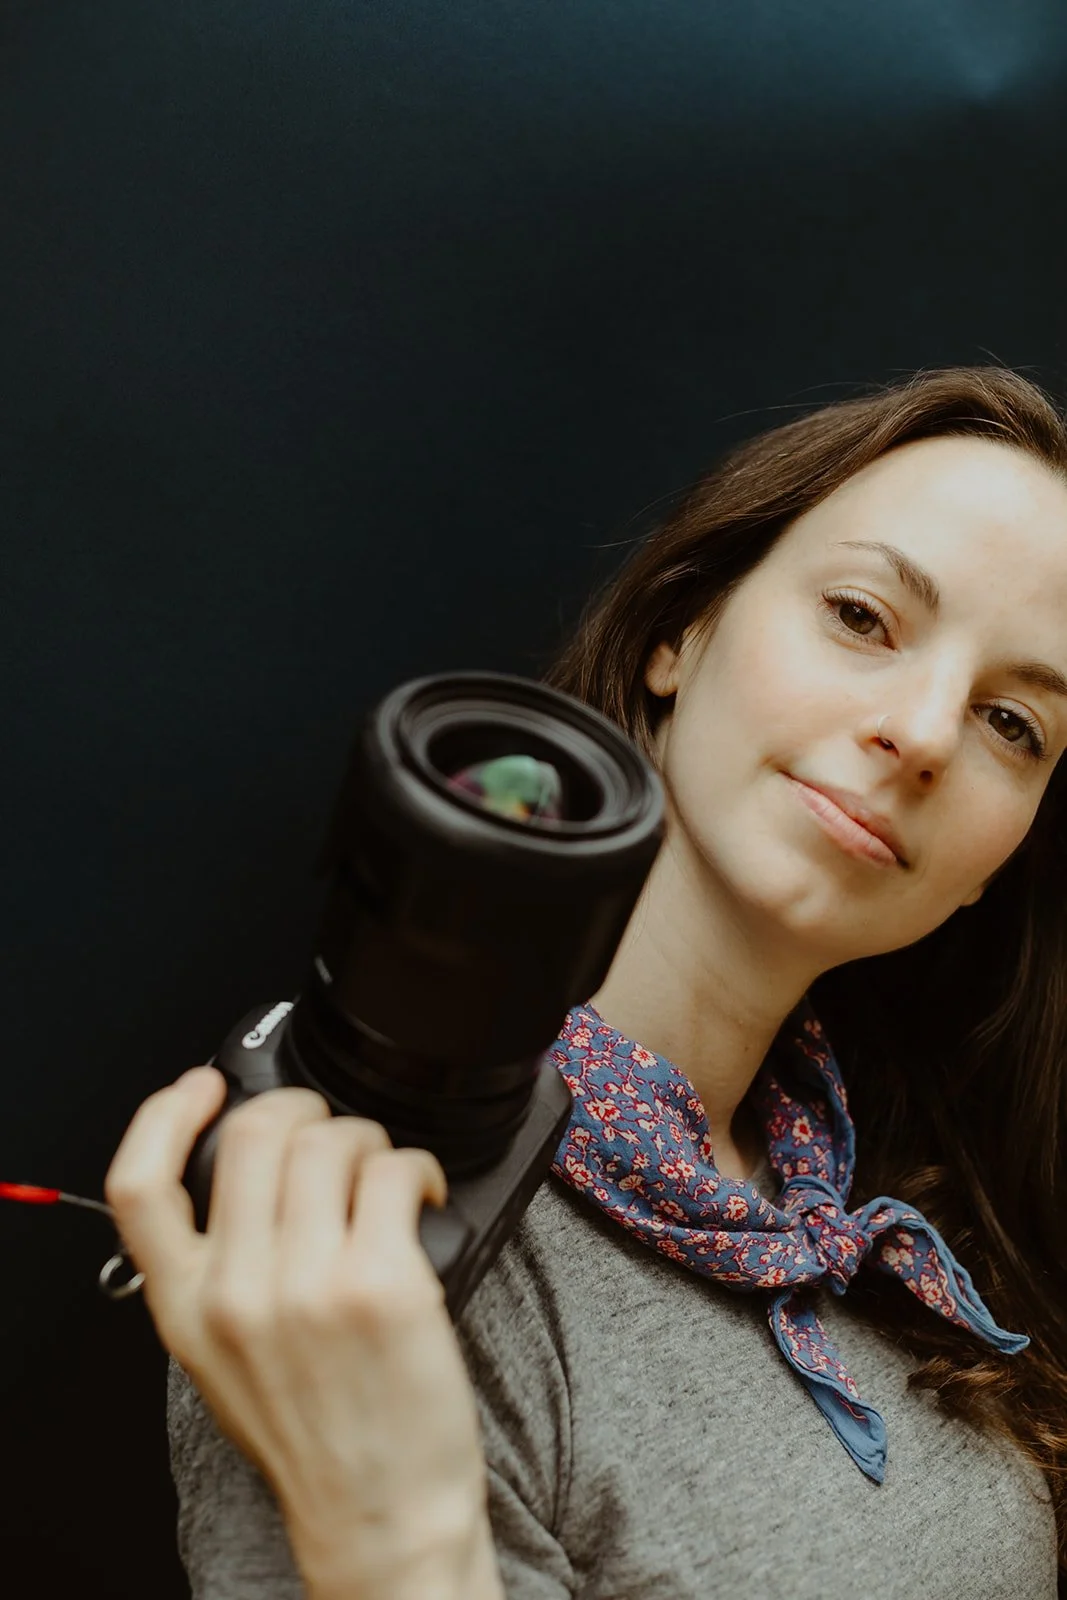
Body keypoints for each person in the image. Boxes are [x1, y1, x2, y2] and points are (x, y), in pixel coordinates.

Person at [108, 366, 1067, 1598]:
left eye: (1013, 725)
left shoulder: (907, 1223)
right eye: (861, 616)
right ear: (682, 628)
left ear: (1000, 863)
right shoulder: (363, 1251)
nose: (926, 731)